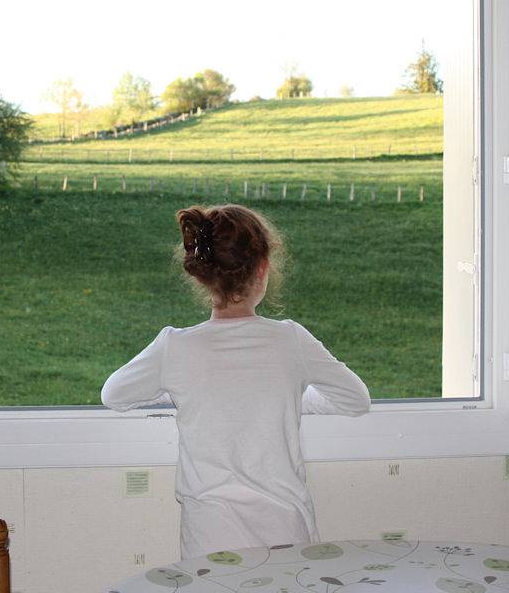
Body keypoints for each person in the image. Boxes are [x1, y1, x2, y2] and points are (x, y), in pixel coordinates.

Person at [101, 203, 370, 559]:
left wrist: (183, 393)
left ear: (202, 274)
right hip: (286, 531)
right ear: (262, 269)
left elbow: (114, 394)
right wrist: (290, 399)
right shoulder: (290, 339)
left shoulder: (176, 346)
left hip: (210, 538)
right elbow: (354, 399)